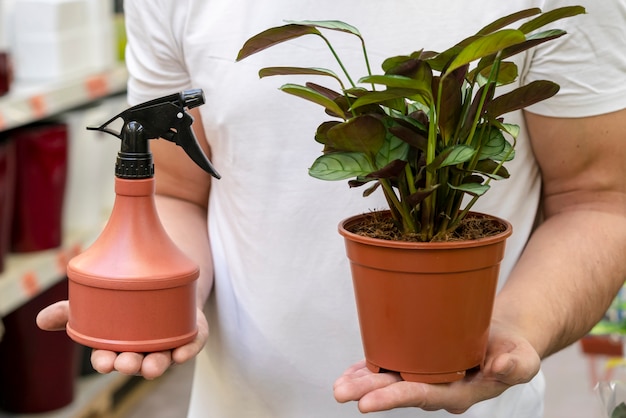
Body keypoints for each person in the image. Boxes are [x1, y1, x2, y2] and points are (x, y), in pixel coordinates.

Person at [37, 0, 626, 416]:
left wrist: (512, 334)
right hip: (243, 407)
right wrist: (160, 294)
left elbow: (599, 199)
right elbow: (173, 189)